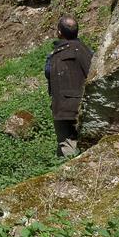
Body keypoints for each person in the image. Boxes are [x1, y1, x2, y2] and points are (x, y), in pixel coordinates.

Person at [45, 15, 93, 158]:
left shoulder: (54, 55)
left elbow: (48, 73)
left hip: (62, 108)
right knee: (89, 145)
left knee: (67, 146)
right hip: (86, 105)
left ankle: (71, 169)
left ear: (59, 32)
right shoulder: (87, 51)